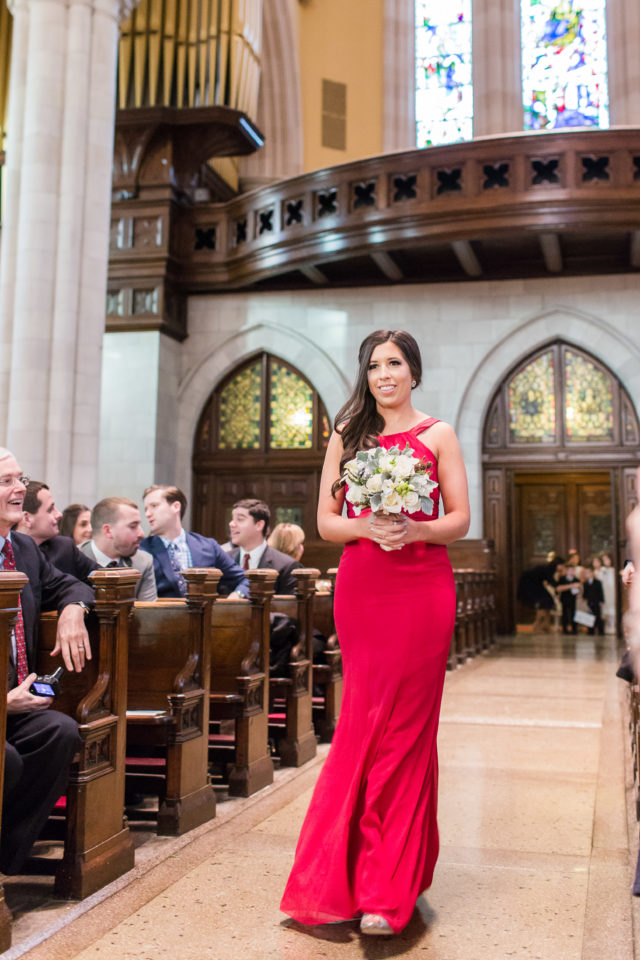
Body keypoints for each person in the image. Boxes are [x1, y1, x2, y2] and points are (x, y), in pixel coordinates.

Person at [280, 329, 470, 936]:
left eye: (393, 363)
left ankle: (387, 891)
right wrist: (367, 528)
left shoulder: (438, 434)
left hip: (422, 587)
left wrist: (417, 531)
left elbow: (460, 518)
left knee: (407, 732)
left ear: (414, 370)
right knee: (364, 722)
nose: (383, 374)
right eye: (372, 366)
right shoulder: (348, 435)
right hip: (364, 588)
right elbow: (325, 522)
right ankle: (344, 882)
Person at [0, 448, 94, 874]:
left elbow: (74, 585)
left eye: (21, 478)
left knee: (60, 731)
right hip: (5, 701)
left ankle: (7, 860)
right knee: (9, 760)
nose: (20, 488)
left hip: (21, 700)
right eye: (7, 481)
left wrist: (74, 611)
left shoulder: (22, 548)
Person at [140, 485, 248, 598]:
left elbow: (246, 580)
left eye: (154, 506)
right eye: (146, 509)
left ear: (176, 507)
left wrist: (237, 595)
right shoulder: (142, 550)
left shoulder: (208, 546)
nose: (148, 514)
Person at [16, 481, 99, 583]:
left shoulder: (64, 547)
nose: (59, 514)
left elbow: (102, 578)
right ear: (27, 518)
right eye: (50, 509)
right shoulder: (9, 556)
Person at [79, 497, 157, 600]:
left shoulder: (143, 562)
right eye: (133, 526)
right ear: (108, 531)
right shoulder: (73, 558)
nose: (142, 534)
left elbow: (147, 613)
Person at [228, 499, 302, 594]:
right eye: (232, 519)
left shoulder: (287, 566)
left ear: (259, 525)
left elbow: (288, 607)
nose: (231, 524)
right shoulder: (224, 560)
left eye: (240, 519)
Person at [555, 562, 580, 635]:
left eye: (573, 570)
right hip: (565, 599)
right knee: (565, 614)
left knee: (574, 614)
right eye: (570, 570)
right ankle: (565, 629)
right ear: (567, 571)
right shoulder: (562, 579)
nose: (572, 572)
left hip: (573, 600)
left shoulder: (576, 579)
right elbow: (558, 588)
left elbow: (579, 590)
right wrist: (571, 586)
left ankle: (574, 630)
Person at [582, 565, 605, 636]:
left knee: (598, 616)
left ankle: (601, 631)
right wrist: (584, 598)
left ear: (592, 573)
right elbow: (585, 593)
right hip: (589, 601)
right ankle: (590, 631)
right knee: (589, 616)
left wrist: (602, 600)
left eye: (588, 572)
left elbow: (601, 592)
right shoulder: (585, 583)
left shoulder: (597, 582)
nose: (587, 574)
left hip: (597, 601)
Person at [598, 552, 617, 634]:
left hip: (612, 591)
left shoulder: (614, 570)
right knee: (605, 609)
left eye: (607, 559)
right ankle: (607, 626)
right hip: (604, 591)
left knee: (613, 608)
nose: (606, 561)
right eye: (604, 560)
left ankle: (613, 626)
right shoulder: (602, 570)